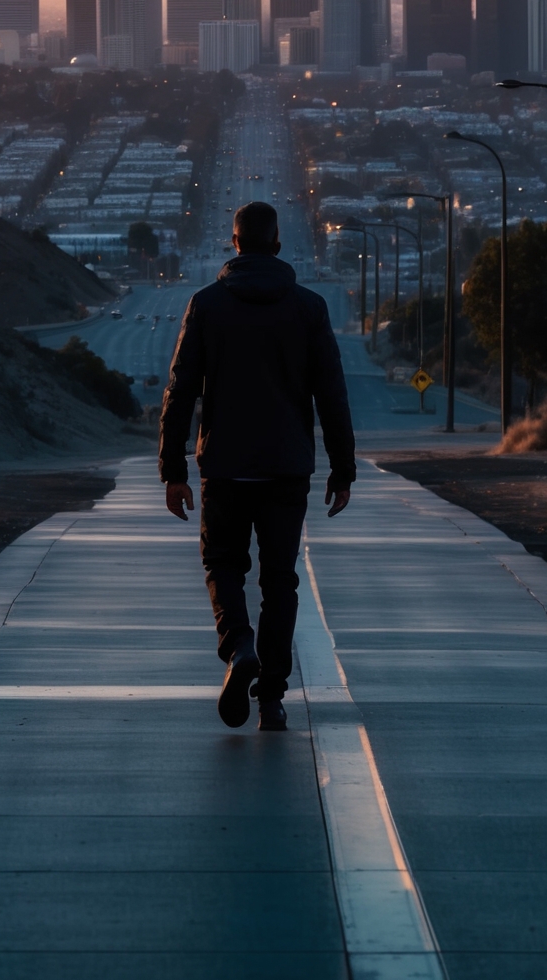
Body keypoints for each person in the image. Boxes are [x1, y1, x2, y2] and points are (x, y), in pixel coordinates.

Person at [159, 200, 355, 731]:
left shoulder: (206, 305)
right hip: (286, 469)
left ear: (235, 242)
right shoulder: (309, 309)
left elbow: (179, 392)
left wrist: (172, 469)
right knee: (279, 584)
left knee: (222, 564)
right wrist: (343, 470)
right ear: (276, 245)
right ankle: (271, 697)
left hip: (223, 465)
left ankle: (237, 645)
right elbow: (331, 394)